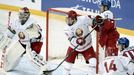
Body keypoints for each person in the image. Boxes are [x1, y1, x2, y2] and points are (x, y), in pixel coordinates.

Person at [2, 7, 45, 72]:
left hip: (34, 43)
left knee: (32, 56)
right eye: (20, 14)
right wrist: (5, 44)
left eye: (24, 15)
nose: (22, 16)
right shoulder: (15, 22)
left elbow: (38, 34)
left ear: (28, 15)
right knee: (6, 66)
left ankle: (45, 69)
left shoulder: (32, 23)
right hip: (22, 42)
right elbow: (9, 35)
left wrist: (29, 34)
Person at [63, 10, 97, 75]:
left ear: (74, 19)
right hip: (74, 47)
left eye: (69, 19)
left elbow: (93, 22)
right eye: (66, 19)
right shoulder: (66, 28)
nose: (67, 21)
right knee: (67, 65)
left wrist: (96, 21)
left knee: (93, 62)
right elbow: (71, 39)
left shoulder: (83, 19)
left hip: (87, 46)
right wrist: (77, 41)